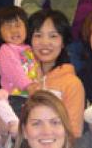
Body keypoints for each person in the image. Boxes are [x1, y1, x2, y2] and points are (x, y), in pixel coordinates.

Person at [28, 9, 85, 137]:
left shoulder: (72, 83)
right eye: (38, 35)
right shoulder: (22, 78)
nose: (45, 43)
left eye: (53, 36)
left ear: (63, 42)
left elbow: (74, 133)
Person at [0, 6, 40, 96]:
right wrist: (28, 86)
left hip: (30, 95)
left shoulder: (29, 48)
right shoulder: (5, 51)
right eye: (8, 27)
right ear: (0, 33)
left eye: (18, 25)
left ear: (26, 27)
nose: (14, 30)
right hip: (14, 97)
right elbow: (15, 71)